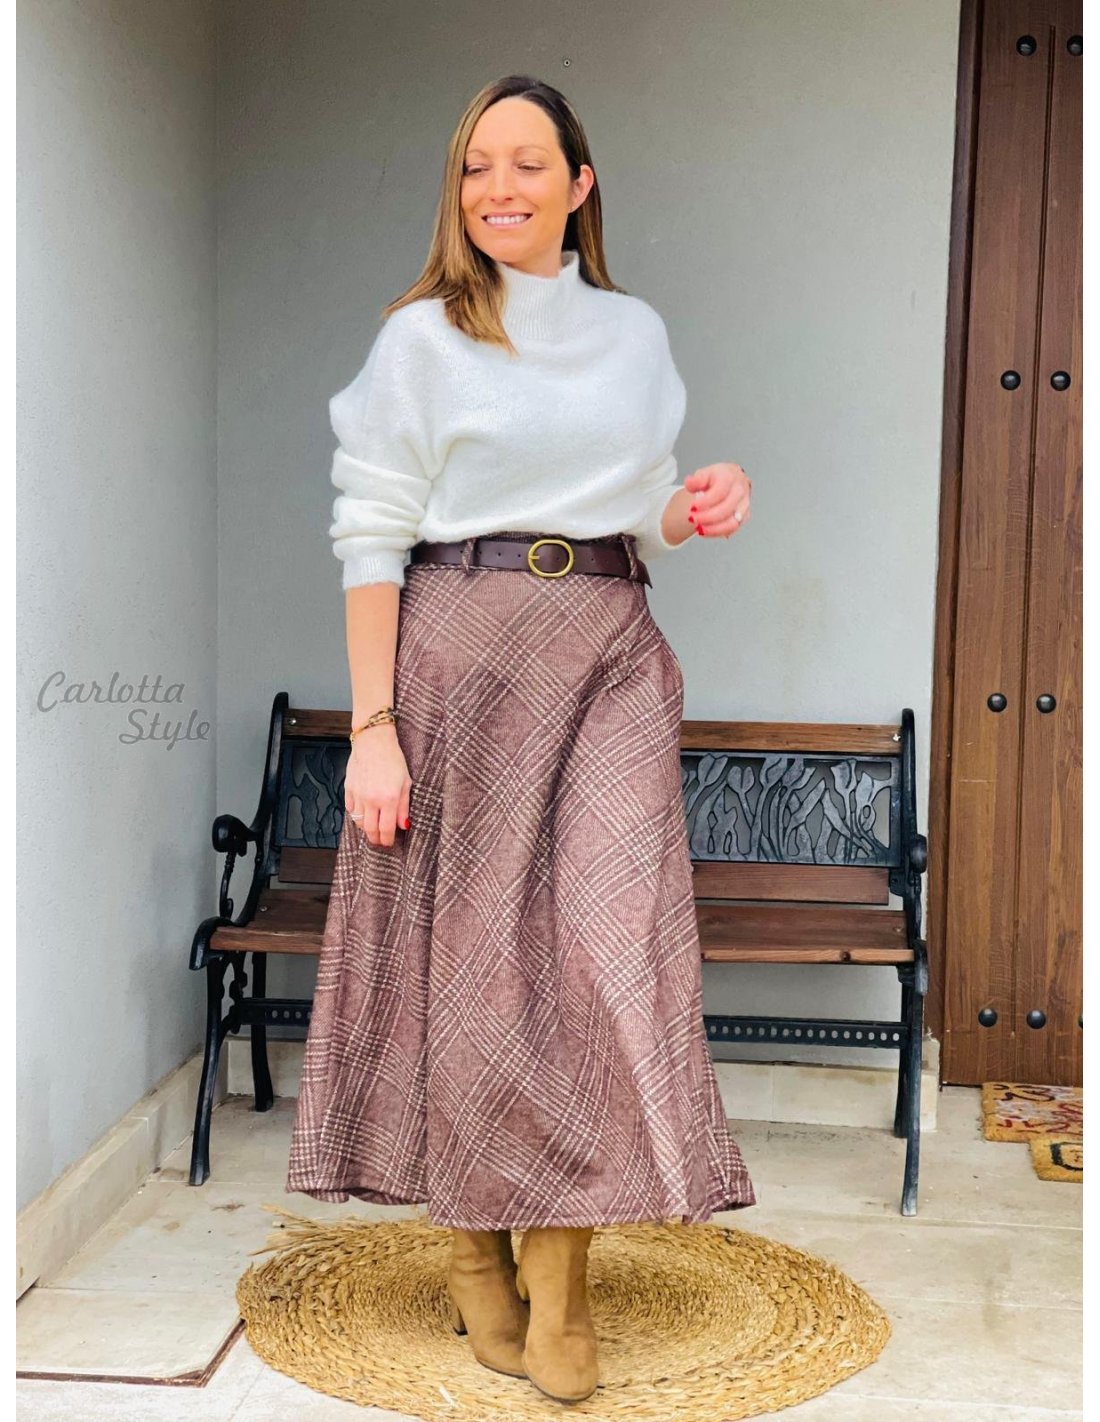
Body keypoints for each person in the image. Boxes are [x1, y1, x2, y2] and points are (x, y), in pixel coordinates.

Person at [286, 73, 757, 1406]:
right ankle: (474, 1252)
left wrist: (699, 501)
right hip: (459, 651)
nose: (499, 187)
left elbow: (641, 501)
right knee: (473, 967)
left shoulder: (634, 333)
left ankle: (565, 1279)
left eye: (527, 162)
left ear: (579, 183)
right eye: (477, 164)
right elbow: (371, 532)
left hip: (610, 644)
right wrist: (373, 727)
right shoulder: (422, 339)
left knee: (604, 960)